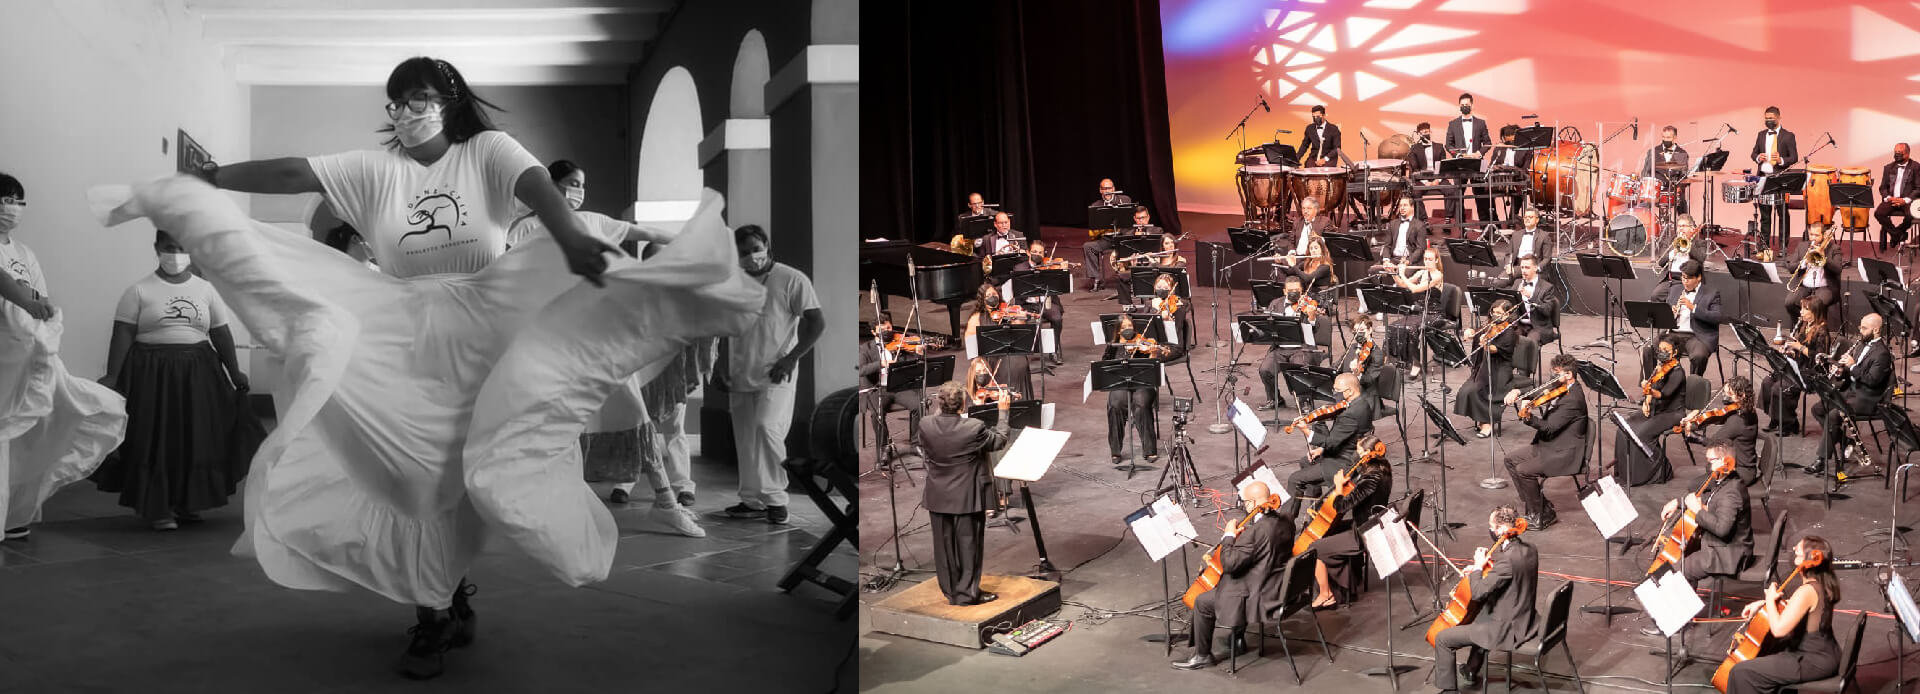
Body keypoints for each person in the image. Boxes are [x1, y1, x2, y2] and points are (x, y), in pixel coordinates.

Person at [132, 57, 764, 678]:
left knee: (461, 479)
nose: (407, 112)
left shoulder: (486, 150)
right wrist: (213, 177)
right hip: (403, 333)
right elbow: (297, 170)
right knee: (416, 476)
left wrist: (570, 237)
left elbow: (537, 186)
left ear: (450, 100)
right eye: (397, 102)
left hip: (482, 326)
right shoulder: (376, 170)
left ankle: (446, 594)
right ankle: (434, 611)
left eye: (419, 98)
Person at [91, 231, 261, 531]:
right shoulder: (139, 291)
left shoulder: (206, 290)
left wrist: (234, 371)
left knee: (195, 435)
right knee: (157, 438)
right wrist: (114, 376)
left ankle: (187, 503)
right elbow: (123, 333)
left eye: (182, 248)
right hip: (151, 373)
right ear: (156, 248)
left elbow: (220, 333)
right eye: (170, 248)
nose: (176, 254)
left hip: (199, 374)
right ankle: (158, 508)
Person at [0, 172, 128, 542]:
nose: (11, 206)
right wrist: (23, 298)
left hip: (27, 350)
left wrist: (36, 309)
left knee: (38, 425)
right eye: (4, 198)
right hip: (2, 353)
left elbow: (39, 297)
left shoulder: (24, 253)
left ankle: (13, 511)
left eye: (16, 199)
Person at [722, 224, 825, 525]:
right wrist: (717, 366)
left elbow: (816, 322)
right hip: (740, 370)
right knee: (745, 437)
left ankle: (777, 499)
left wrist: (792, 358)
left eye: (755, 248)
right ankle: (751, 499)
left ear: (766, 244)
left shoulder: (791, 278)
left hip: (777, 370)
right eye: (743, 252)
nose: (751, 256)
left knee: (768, 428)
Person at [1171, 481, 1292, 671]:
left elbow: (1229, 564)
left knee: (1203, 602)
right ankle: (1237, 639)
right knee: (1235, 582)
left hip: (1258, 595)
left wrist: (1228, 537)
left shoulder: (1256, 532)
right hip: (1275, 584)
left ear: (1253, 503)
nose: (1244, 506)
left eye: (1245, 502)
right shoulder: (1287, 519)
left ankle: (1203, 656)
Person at [920, 381, 1012, 606]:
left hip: (938, 494)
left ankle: (951, 592)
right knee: (968, 545)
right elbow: (998, 440)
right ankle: (967, 593)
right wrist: (1003, 412)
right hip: (967, 495)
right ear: (962, 405)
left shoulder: (925, 424)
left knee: (943, 547)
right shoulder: (974, 427)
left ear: (939, 403)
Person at [1431, 506, 1539, 694]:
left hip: (1505, 629)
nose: (1490, 530)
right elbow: (1509, 574)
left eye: (1491, 527)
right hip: (1525, 618)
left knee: (1442, 638)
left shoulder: (1507, 561)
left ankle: (1449, 691)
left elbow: (1478, 593)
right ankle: (1471, 668)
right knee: (1482, 614)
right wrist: (1482, 568)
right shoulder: (1529, 550)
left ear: (1500, 531)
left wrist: (1479, 568)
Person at [1722, 535, 1842, 694]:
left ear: (1808, 560)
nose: (1793, 551)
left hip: (1812, 660)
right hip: (1826, 654)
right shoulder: (1822, 582)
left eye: (1797, 552)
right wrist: (1762, 605)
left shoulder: (1806, 591)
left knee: (1741, 672)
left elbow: (1779, 630)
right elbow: (1794, 607)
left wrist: (1770, 600)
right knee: (1764, 657)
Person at [506, 160, 671, 250]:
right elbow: (502, 261)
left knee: (654, 248)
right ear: (553, 185)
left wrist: (689, 242)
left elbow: (648, 233)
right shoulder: (529, 227)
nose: (580, 191)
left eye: (582, 186)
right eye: (574, 184)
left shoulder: (594, 221)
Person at [1305, 435, 1391, 607]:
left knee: (1314, 547)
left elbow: (1341, 507)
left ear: (1369, 454)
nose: (1357, 456)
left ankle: (1326, 594)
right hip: (1369, 523)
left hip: (1364, 532)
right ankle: (1347, 584)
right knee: (1327, 532)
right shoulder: (1382, 468)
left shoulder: (1371, 479)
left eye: (1360, 452)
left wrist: (1338, 487)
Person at [1503, 354, 1587, 528]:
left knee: (1523, 470)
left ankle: (1541, 515)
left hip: (1564, 452)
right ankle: (1540, 506)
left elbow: (1549, 427)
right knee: (1510, 460)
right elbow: (1540, 390)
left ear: (1569, 375)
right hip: (1550, 445)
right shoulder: (1561, 387)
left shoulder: (1573, 399)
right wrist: (1519, 392)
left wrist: (1529, 418)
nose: (1552, 378)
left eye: (1556, 373)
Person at [1654, 440, 1752, 585]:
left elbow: (1722, 529)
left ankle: (1683, 606)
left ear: (1726, 461)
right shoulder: (1724, 480)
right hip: (1720, 547)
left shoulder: (1732, 493)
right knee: (1681, 555)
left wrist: (1698, 510)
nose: (1708, 466)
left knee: (1674, 572)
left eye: (1711, 461)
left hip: (1727, 556)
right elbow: (1707, 498)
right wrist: (1678, 502)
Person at [1808, 313, 1892, 478]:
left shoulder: (1882, 353)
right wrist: (1841, 371)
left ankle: (1821, 460)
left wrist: (1852, 366)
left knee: (1833, 415)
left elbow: (1872, 381)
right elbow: (1851, 371)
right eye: (1860, 326)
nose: (1860, 330)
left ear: (1875, 330)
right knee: (1818, 408)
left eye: (1864, 328)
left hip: (1867, 397)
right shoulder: (1862, 344)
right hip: (1852, 390)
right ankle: (1847, 442)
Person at [1281, 373, 1373, 517]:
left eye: (1337, 390)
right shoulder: (1362, 402)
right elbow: (1345, 438)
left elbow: (1330, 443)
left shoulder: (1351, 414)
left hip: (1343, 463)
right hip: (1346, 451)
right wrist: (1320, 450)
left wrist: (1306, 431)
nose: (1334, 394)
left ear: (1349, 391)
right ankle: (1316, 504)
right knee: (1305, 461)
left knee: (1294, 479)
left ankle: (1285, 522)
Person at [1616, 334, 1688, 486]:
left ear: (1675, 352)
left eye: (1666, 350)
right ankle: (1625, 472)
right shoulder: (1660, 367)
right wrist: (1646, 402)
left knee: (1641, 434)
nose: (1661, 352)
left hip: (1673, 413)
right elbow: (1653, 389)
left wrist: (1647, 389)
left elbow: (1664, 394)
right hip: (1657, 408)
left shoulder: (1677, 372)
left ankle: (1660, 471)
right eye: (1660, 349)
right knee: (1625, 427)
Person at [1456, 300, 1532, 438]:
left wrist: (1486, 344)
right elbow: (1477, 332)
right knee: (1466, 390)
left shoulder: (1510, 332)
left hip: (1500, 370)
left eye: (1499, 313)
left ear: (1507, 314)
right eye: (1493, 312)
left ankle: (1487, 423)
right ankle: (1480, 419)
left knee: (1478, 390)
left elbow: (1494, 350)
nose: (1495, 315)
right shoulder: (1490, 325)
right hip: (1484, 367)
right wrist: (1470, 331)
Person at [1106, 314, 1172, 466]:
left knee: (1141, 405)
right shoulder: (1113, 346)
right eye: (1123, 328)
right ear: (1118, 331)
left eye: (1130, 327)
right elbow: (1106, 366)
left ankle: (1149, 449)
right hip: (1121, 383)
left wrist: (1152, 352)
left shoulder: (1144, 342)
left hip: (1143, 382)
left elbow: (1155, 365)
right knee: (1115, 404)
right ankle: (1115, 450)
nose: (1127, 330)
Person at [1641, 260, 1723, 376]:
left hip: (1697, 335)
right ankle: (1650, 386)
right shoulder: (1675, 289)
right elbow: (1665, 315)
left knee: (1699, 356)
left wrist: (1693, 308)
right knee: (1648, 349)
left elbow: (1716, 317)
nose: (1684, 282)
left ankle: (1693, 386)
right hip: (1674, 334)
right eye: (1683, 278)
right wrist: (1671, 313)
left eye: (1688, 279)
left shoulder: (1711, 293)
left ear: (1698, 277)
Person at [1762, 301, 1830, 436]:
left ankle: (1789, 423)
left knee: (1779, 388)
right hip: (1799, 365)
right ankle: (1776, 418)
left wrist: (1800, 347)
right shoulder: (1804, 325)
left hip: (1812, 372)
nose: (1801, 312)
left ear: (1815, 312)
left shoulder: (1822, 331)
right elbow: (1799, 352)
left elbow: (1819, 357)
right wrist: (1790, 351)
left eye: (1805, 309)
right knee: (1767, 382)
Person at [1258, 275, 1324, 411]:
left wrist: (1312, 317)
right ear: (1284, 291)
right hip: (1280, 348)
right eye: (1290, 290)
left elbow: (1314, 330)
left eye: (1297, 290)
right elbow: (1267, 325)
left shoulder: (1308, 304)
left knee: (1300, 368)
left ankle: (1305, 401)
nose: (1294, 293)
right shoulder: (1275, 304)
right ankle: (1275, 399)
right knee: (1265, 370)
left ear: (1301, 290)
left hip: (1301, 347)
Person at [1682, 377, 1761, 485]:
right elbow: (1720, 418)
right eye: (1724, 392)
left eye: (1729, 393)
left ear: (1742, 395)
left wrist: (1696, 438)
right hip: (1745, 466)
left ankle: (1715, 499)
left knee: (1694, 485)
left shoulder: (1738, 420)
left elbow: (1714, 442)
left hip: (1741, 472)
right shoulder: (1747, 410)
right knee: (1709, 468)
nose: (1725, 396)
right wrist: (1696, 421)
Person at [965, 283, 1036, 398]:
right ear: (982, 300)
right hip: (989, 356)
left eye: (994, 294)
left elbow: (1020, 334)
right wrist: (977, 361)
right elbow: (970, 344)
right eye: (988, 296)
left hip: (1010, 350)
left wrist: (1017, 318)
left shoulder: (1007, 311)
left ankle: (1019, 399)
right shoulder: (976, 317)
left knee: (1020, 364)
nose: (992, 297)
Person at [1387, 246, 1448, 377]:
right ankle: (1398, 360)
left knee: (1411, 328)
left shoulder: (1438, 275)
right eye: (1425, 259)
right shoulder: (1422, 273)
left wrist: (1402, 272)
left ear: (1437, 260)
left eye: (1430, 259)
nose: (1427, 262)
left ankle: (1416, 363)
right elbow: (1403, 285)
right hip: (1419, 312)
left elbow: (1414, 289)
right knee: (1394, 326)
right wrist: (1394, 273)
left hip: (1434, 314)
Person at [1750, 107, 1799, 252]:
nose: (1768, 121)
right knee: (1765, 214)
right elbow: (1753, 153)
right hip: (1764, 178)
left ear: (1778, 118)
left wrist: (1781, 159)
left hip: (1780, 179)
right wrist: (1759, 157)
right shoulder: (1761, 135)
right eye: (1766, 118)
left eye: (1771, 118)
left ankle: (1783, 246)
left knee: (1782, 213)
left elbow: (1794, 157)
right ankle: (1764, 245)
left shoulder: (1788, 136)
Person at [1446, 93, 1494, 226]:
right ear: (1459, 106)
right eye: (1462, 105)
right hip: (1459, 164)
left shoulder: (1481, 123)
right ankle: (1462, 229)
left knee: (1481, 195)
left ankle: (1485, 226)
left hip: (1477, 163)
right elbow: (1448, 145)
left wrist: (1478, 153)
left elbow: (1488, 143)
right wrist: (1457, 155)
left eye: (1467, 105)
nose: (1465, 107)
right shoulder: (1453, 124)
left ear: (1472, 105)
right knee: (1458, 195)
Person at [1781, 224, 1840, 319]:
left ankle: (1817, 330)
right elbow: (1791, 268)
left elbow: (1838, 269)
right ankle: (1802, 326)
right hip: (1804, 286)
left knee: (1817, 305)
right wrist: (1804, 262)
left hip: (1824, 287)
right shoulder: (1802, 246)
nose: (1813, 238)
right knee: (1790, 303)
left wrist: (1824, 258)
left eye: (1816, 235)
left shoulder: (1834, 248)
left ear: (1824, 235)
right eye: (1811, 234)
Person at [1084, 179, 1133, 289]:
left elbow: (1130, 221)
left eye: (1109, 188)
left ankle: (1130, 278)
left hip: (1123, 238)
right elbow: (1093, 231)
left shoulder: (1124, 200)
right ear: (1100, 190)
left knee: (1134, 244)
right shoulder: (1096, 206)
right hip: (1106, 240)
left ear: (1114, 189)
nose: (1107, 191)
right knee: (1088, 247)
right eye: (1104, 189)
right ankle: (1096, 279)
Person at [1501, 255, 1560, 346]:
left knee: (1528, 344)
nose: (1524, 270)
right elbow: (1509, 305)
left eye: (1527, 267)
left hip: (1538, 326)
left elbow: (1547, 310)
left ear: (1535, 268)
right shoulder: (1517, 283)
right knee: (1506, 339)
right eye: (1522, 267)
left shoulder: (1547, 287)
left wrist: (1531, 297)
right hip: (1520, 325)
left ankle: (1527, 360)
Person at [1650, 213, 1710, 300]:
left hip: (1688, 280)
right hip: (1670, 280)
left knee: (1673, 298)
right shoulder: (1670, 241)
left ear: (1691, 228)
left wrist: (1688, 244)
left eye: (1684, 226)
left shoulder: (1700, 243)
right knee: (1655, 296)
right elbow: (1661, 262)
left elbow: (1701, 259)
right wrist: (1673, 252)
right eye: (1679, 226)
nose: (1681, 228)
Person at [1643, 125, 1692, 213]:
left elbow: (1684, 176)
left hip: (1673, 188)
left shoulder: (1682, 153)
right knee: (1644, 200)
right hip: (1656, 188)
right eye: (1663, 137)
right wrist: (1647, 185)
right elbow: (1646, 172)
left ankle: (1684, 224)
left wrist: (1679, 188)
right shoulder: (1653, 152)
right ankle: (1646, 223)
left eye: (1668, 137)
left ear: (1675, 138)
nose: (1665, 140)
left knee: (1682, 203)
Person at [1879, 143, 1918, 251]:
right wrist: (1888, 198)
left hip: (1907, 201)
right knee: (1879, 213)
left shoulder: (1916, 167)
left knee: (1910, 216)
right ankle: (1898, 235)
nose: (1897, 155)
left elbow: (1918, 188)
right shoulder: (1888, 168)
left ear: (1907, 154)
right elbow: (1882, 187)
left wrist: (1904, 200)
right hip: (1891, 199)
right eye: (1895, 152)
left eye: (1900, 153)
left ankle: (1898, 232)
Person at [1504, 207, 1555, 274]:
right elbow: (1508, 254)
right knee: (1497, 282)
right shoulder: (1515, 234)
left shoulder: (1544, 236)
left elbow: (1547, 258)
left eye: (1530, 217)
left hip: (1533, 266)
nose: (1527, 219)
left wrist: (1537, 268)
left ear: (1537, 220)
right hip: (1516, 265)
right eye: (1525, 217)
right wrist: (1508, 265)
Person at [1386, 196, 1426, 263]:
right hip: (1393, 259)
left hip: (1409, 260)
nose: (1402, 208)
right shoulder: (1392, 224)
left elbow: (1420, 249)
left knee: (1403, 272)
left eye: (1405, 205)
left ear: (1412, 207)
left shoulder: (1419, 225)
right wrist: (1386, 261)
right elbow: (1387, 245)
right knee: (1373, 270)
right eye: (1400, 205)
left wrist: (1408, 261)